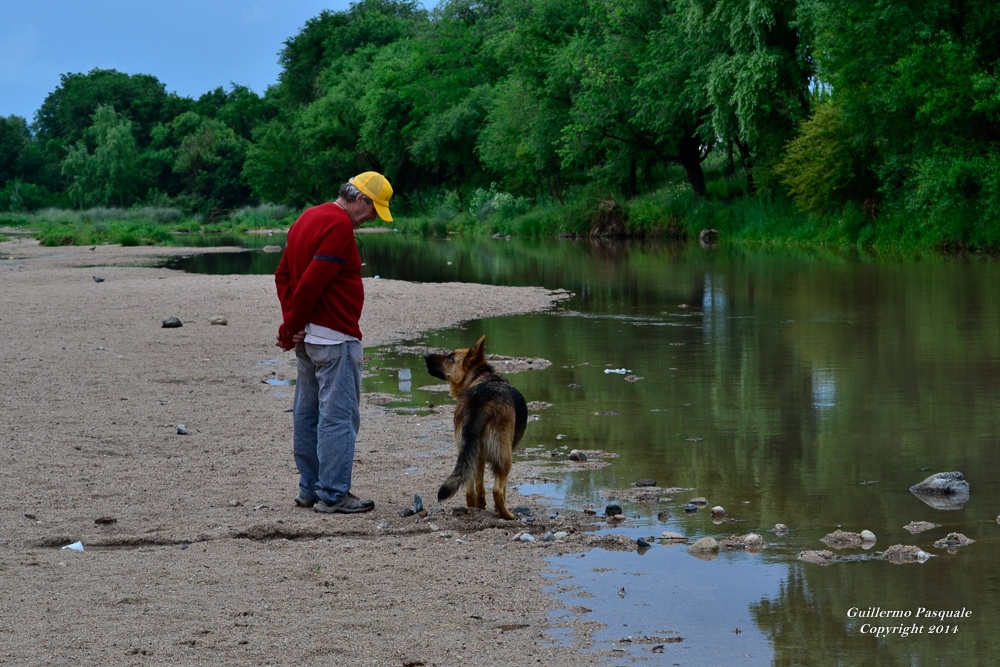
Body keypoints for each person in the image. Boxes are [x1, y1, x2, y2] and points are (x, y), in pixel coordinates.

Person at [274, 172, 393, 513]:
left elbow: (283, 275)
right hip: (334, 338)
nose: (371, 219)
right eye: (373, 211)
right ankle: (332, 493)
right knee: (338, 417)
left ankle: (309, 489)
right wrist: (290, 327)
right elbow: (311, 282)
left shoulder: (306, 218)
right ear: (361, 200)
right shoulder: (339, 227)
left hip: (310, 338)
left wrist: (294, 325)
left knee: (307, 412)